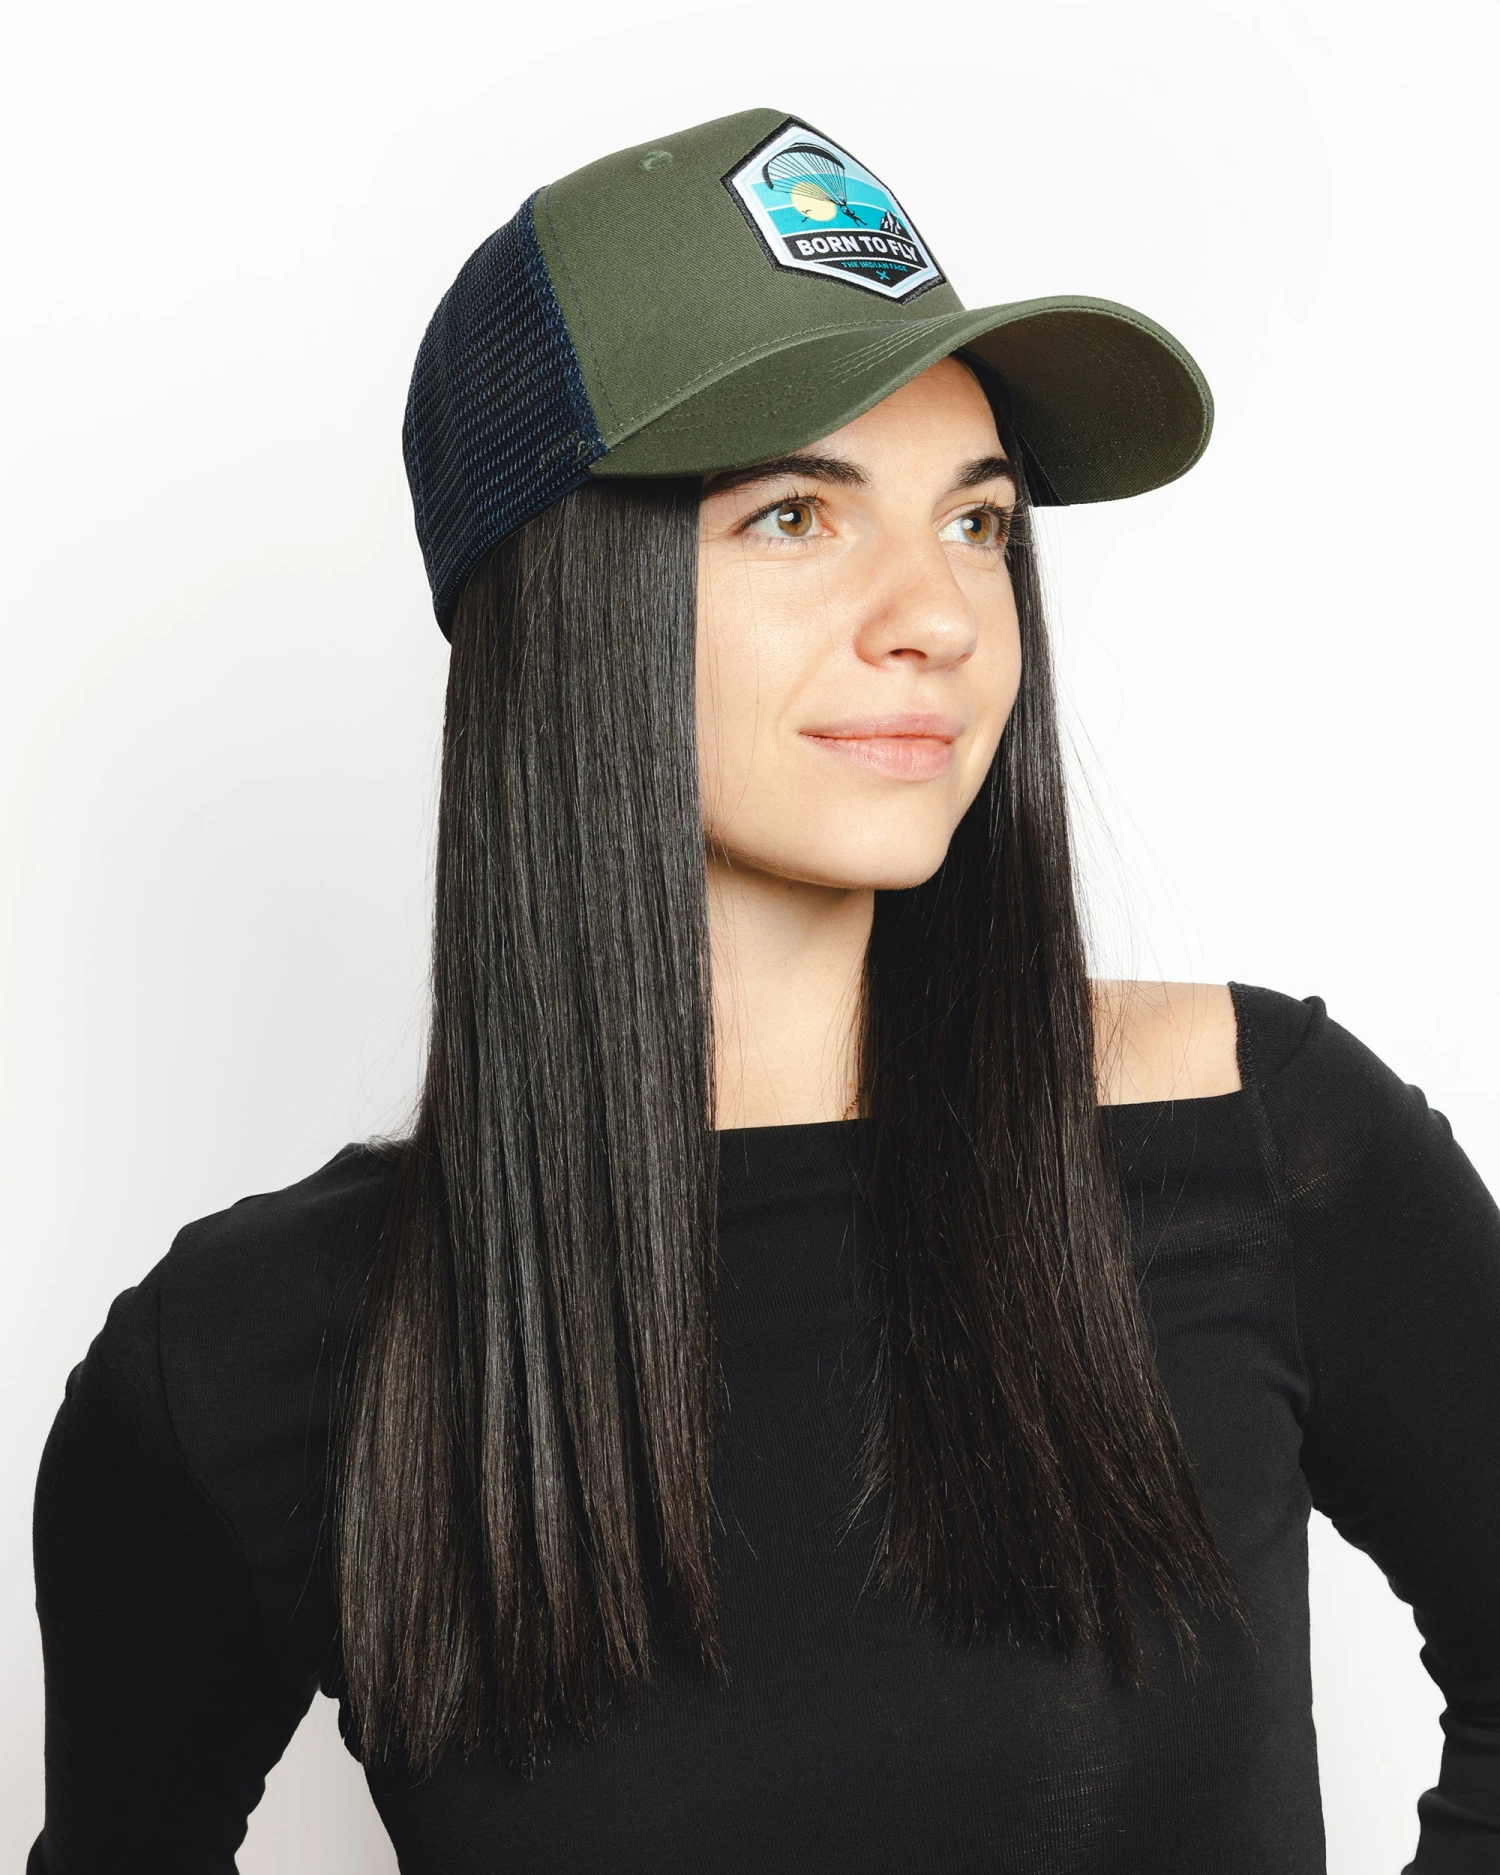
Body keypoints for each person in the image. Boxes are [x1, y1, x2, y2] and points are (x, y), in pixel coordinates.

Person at [26, 108, 1500, 1875]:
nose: (938, 614)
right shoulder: (247, 1359)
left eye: (978, 520)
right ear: (565, 596)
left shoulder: (1267, 1144)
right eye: (797, 514)